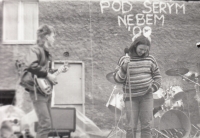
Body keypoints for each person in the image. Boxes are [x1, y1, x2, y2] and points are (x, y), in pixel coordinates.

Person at [114, 34, 162, 138]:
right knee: (131, 127)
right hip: (131, 97)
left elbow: (158, 77)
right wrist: (124, 67)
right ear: (135, 46)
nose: (143, 52)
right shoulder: (124, 59)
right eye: (141, 49)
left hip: (146, 96)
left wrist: (153, 88)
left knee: (146, 126)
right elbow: (117, 79)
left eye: (145, 50)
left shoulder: (150, 59)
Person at [23, 24, 59, 138]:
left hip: (45, 92)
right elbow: (30, 65)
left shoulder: (47, 53)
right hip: (38, 92)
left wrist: (57, 71)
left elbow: (45, 72)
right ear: (47, 36)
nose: (54, 39)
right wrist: (48, 75)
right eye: (53, 36)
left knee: (46, 124)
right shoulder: (35, 49)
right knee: (45, 124)